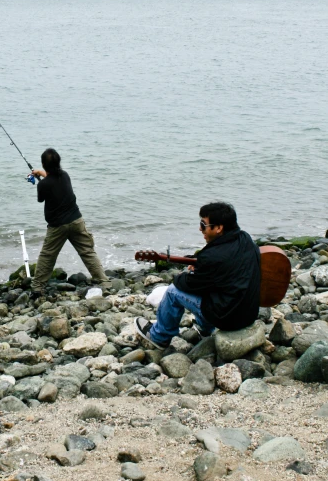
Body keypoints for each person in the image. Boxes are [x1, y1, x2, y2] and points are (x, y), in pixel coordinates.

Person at [135, 202, 260, 348]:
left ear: (219, 228)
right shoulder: (245, 239)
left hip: (228, 319)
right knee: (218, 290)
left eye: (203, 224)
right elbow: (224, 267)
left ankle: (159, 336)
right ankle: (204, 330)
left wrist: (180, 276)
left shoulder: (213, 257)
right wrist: (201, 264)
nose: (200, 229)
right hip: (248, 315)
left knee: (173, 292)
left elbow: (190, 284)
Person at [30, 148, 109, 295]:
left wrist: (40, 178)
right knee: (87, 252)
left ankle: (37, 287)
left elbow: (41, 198)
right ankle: (104, 282)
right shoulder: (65, 176)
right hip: (76, 220)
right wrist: (40, 173)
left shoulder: (43, 185)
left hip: (57, 226)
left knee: (48, 255)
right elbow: (52, 177)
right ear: (59, 162)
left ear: (44, 164)